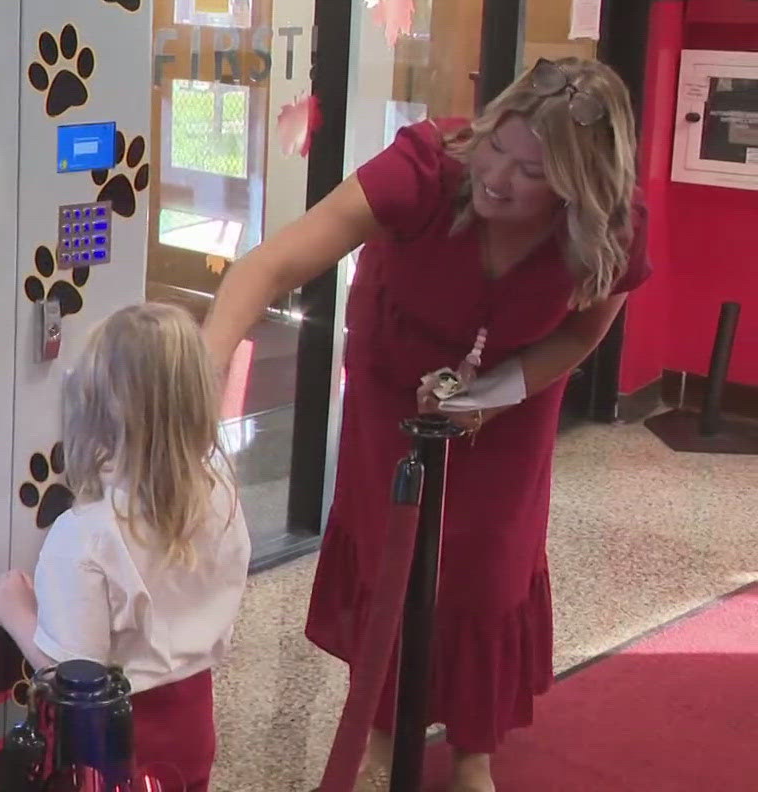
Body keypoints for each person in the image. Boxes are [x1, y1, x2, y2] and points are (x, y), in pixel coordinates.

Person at [199, 58, 648, 791]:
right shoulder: (425, 168)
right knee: (393, 553)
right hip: (393, 373)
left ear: (578, 183)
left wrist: (499, 393)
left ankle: (475, 749)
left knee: (489, 566)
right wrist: (205, 373)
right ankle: (378, 727)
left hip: (512, 393)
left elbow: (580, 335)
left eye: (532, 171)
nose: (498, 176)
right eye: (497, 146)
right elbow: (268, 266)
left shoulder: (610, 227)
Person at [0, 302, 251, 792]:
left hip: (120, 742)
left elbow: (75, 678)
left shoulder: (85, 535)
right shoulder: (221, 492)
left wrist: (15, 610)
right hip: (194, 718)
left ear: (94, 411)